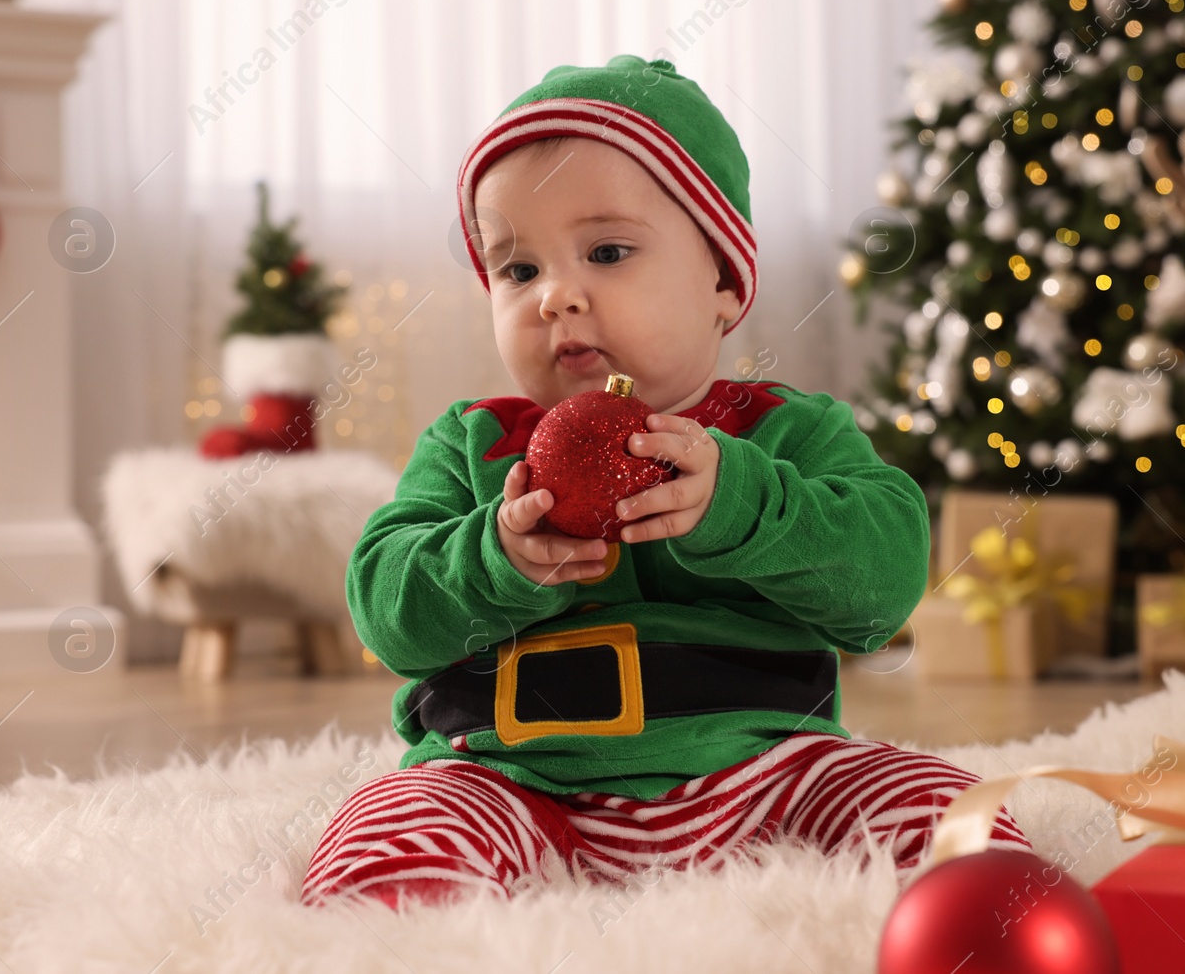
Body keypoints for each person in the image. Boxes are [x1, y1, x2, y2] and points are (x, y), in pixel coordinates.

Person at [301, 55, 1028, 909]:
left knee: (958, 823)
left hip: (767, 771)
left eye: (606, 251)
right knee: (382, 850)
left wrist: (746, 506)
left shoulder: (786, 434)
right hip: (511, 777)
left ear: (723, 282)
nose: (555, 297)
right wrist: (495, 556)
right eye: (518, 268)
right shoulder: (475, 445)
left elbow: (884, 585)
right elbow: (387, 615)